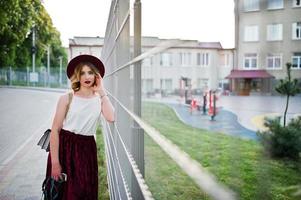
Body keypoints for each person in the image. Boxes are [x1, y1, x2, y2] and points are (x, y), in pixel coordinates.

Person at [45, 54, 115, 199]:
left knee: (84, 192)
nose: (86, 76)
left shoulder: (99, 99)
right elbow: (55, 130)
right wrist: (55, 163)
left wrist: (101, 91)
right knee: (64, 194)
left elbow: (111, 117)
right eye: (82, 72)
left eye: (90, 72)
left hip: (86, 149)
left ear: (96, 76)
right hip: (65, 148)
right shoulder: (67, 98)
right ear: (77, 75)